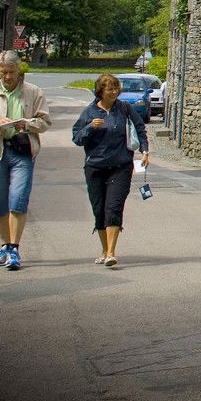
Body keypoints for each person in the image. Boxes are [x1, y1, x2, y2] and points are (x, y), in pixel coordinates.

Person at [0, 50, 50, 271]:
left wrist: (25, 124)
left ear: (19, 70)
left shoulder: (33, 92)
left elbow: (45, 122)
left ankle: (14, 248)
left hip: (22, 152)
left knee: (18, 200)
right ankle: (3, 246)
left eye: (12, 72)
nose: (8, 76)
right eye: (4, 72)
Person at [72, 72, 149, 267]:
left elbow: (139, 129)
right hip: (95, 167)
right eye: (110, 88)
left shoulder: (124, 109)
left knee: (113, 207)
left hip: (121, 166)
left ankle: (112, 252)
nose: (114, 92)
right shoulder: (89, 113)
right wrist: (90, 127)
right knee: (99, 210)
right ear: (100, 91)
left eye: (116, 88)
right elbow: (77, 138)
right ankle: (104, 250)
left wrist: (145, 150)